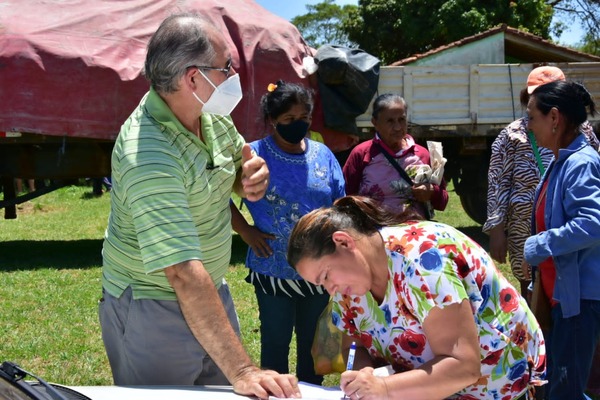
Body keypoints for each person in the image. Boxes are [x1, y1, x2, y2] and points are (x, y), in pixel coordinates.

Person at [99, 13, 299, 399]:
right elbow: (182, 273)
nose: (233, 77)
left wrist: (249, 178)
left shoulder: (212, 118)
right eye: (226, 67)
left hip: (210, 292)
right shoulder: (149, 152)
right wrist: (242, 369)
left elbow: (233, 168)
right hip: (152, 302)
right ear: (193, 78)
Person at [287, 195, 546, 400]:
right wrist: (360, 369)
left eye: (326, 276)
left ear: (343, 242)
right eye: (321, 285)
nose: (331, 290)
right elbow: (353, 346)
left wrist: (384, 388)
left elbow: (463, 366)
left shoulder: (422, 262)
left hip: (498, 386)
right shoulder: (349, 287)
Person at [230, 80, 345, 384]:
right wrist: (245, 231)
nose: (300, 125)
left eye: (305, 118)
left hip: (321, 271)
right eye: (290, 120)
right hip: (273, 268)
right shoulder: (253, 155)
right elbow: (216, 198)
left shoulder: (323, 154)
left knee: (314, 346)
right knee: (275, 344)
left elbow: (339, 204)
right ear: (272, 120)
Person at [484, 66, 599, 299]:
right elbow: (498, 182)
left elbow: (590, 216)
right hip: (525, 225)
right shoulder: (512, 134)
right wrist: (497, 228)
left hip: (565, 227)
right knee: (532, 287)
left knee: (565, 284)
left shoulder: (582, 139)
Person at [524, 80, 600, 400]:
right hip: (562, 299)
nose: (528, 126)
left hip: (579, 301)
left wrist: (538, 246)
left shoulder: (580, 164)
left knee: (565, 392)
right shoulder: (560, 161)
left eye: (532, 117)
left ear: (554, 118)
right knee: (559, 387)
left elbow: (592, 223)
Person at [343, 93, 448, 220]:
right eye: (390, 121)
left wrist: (431, 191)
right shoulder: (362, 153)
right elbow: (345, 198)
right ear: (375, 123)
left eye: (401, 120)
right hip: (374, 230)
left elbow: (442, 202)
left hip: (414, 231)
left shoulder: (422, 154)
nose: (398, 127)